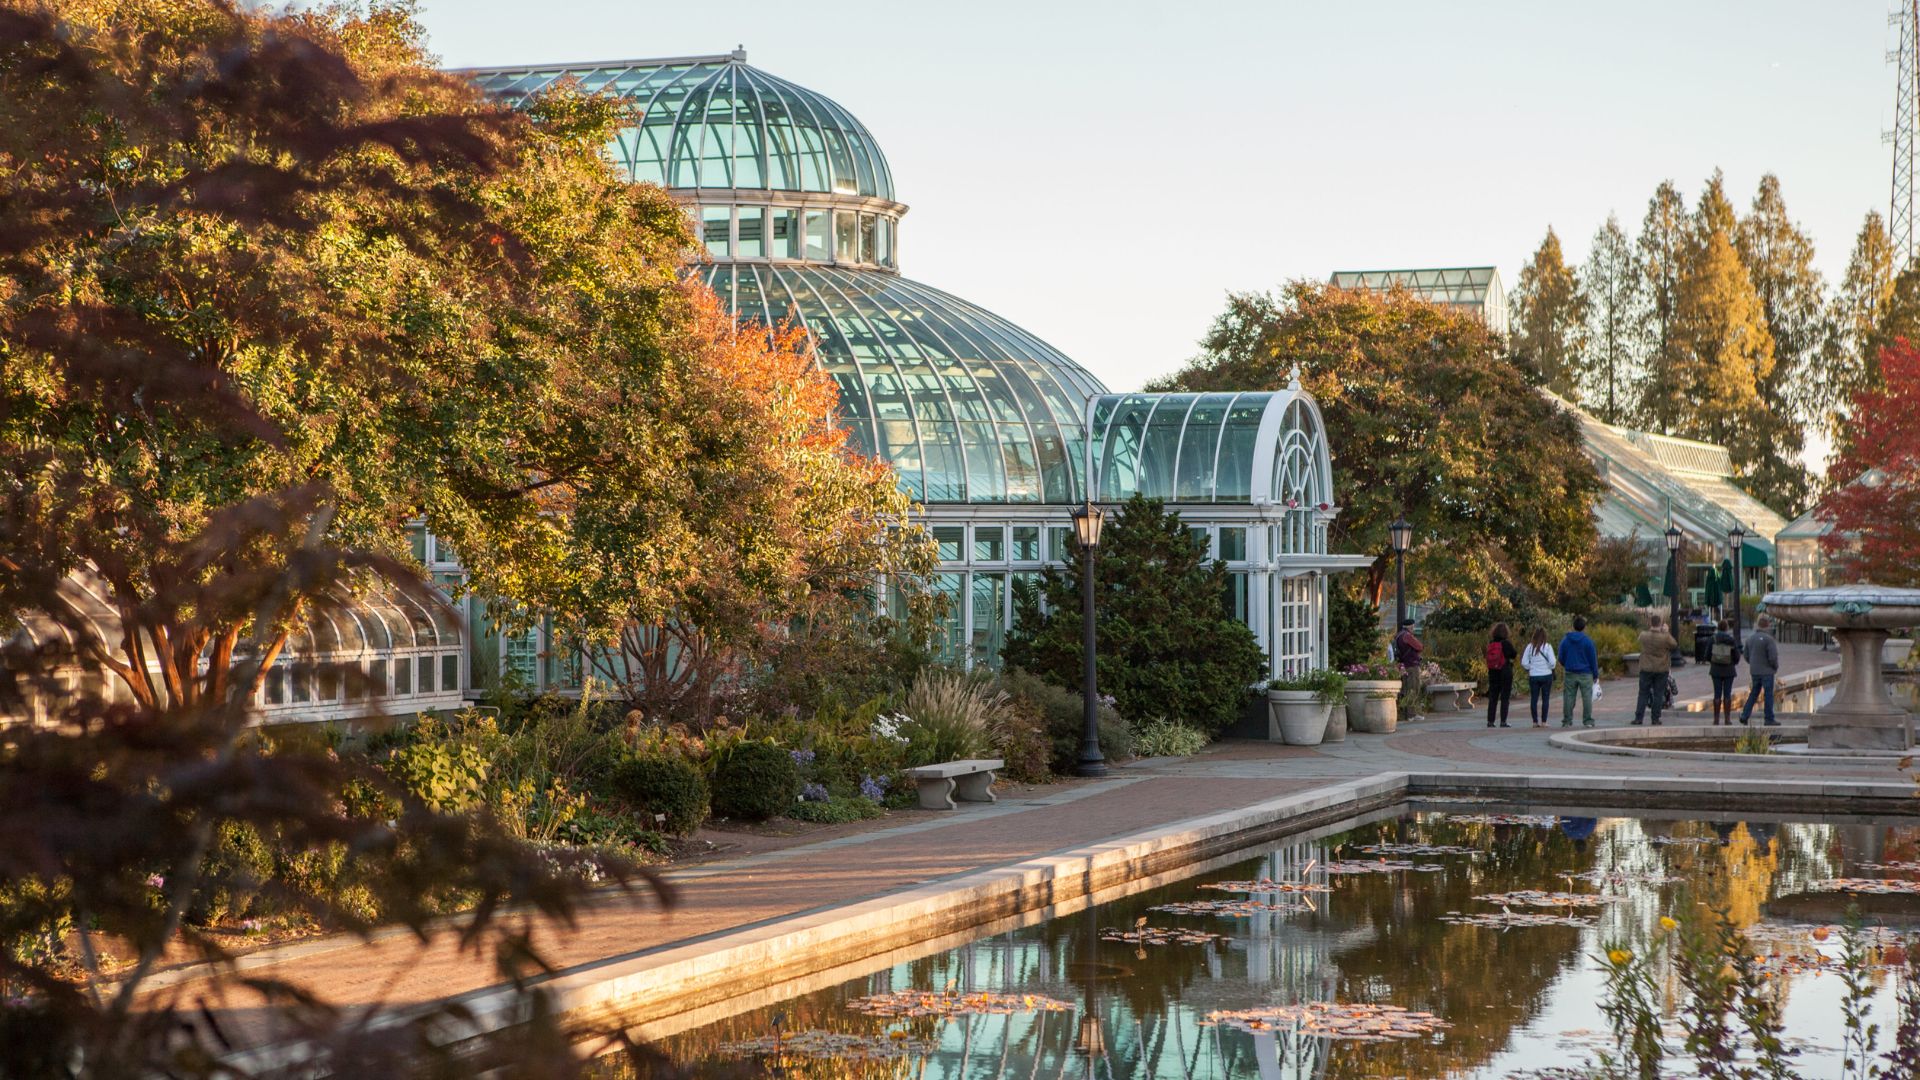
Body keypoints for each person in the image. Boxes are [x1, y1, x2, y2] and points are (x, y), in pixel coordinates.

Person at [1634, 615, 1679, 726]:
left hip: (1646, 668)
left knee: (1643, 694)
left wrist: (1652, 630)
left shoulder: (1644, 635)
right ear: (1660, 624)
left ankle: (1638, 718)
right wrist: (1666, 632)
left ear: (1650, 623)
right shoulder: (1665, 637)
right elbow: (1674, 644)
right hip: (1661, 669)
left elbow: (1639, 639)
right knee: (1658, 694)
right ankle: (1655, 719)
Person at [1739, 614, 1781, 726]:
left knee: (1754, 693)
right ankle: (1769, 718)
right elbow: (1772, 657)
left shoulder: (1750, 639)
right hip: (1767, 671)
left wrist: (1752, 663)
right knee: (1768, 694)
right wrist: (1775, 667)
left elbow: (1746, 655)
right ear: (1767, 625)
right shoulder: (1769, 639)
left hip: (1755, 671)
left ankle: (1744, 715)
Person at [1558, 617, 1599, 728]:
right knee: (1587, 697)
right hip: (1586, 673)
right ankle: (1587, 720)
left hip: (1570, 672)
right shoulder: (1588, 641)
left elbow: (1560, 656)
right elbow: (1593, 659)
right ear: (1584, 627)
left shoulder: (1566, 640)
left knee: (1568, 697)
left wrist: (1566, 664)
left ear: (1573, 626)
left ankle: (1567, 721)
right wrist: (1595, 674)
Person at [1519, 627, 1557, 728]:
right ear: (1545, 636)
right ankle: (1544, 722)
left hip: (1534, 676)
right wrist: (1549, 667)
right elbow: (1553, 662)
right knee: (1545, 699)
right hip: (1546, 676)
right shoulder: (1548, 647)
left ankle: (1535, 722)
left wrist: (1530, 668)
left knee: (1534, 699)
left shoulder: (1530, 647)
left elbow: (1524, 662)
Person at [1707, 622, 1742, 725]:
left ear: (1718, 628)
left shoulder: (1713, 639)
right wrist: (1732, 663)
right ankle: (1727, 719)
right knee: (1727, 694)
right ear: (1727, 628)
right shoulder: (1731, 640)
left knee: (1717, 694)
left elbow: (1707, 654)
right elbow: (1737, 656)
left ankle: (1716, 719)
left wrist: (1714, 662)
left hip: (1715, 670)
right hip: (1729, 670)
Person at [1484, 622, 1517, 728]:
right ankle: (1503, 721)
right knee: (1505, 697)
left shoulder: (1491, 643)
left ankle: (1490, 721)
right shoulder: (1506, 643)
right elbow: (1514, 654)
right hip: (1505, 671)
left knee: (1493, 697)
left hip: (1493, 672)